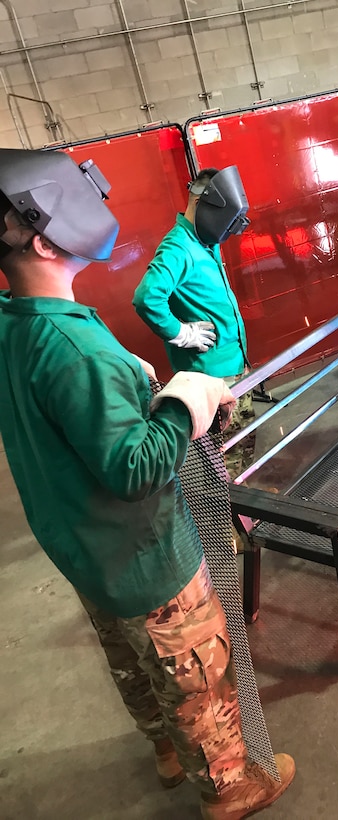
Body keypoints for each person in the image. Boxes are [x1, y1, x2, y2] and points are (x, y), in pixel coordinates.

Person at [0, 147, 295, 819]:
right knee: (196, 675)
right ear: (47, 237)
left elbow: (71, 398)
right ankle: (233, 789)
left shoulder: (18, 323)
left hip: (85, 549)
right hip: (146, 559)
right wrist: (181, 401)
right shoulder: (73, 349)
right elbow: (135, 467)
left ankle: (167, 751)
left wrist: (125, 373)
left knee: (133, 660)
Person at [133, 166, 255, 480]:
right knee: (224, 458)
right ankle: (231, 523)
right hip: (212, 379)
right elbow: (147, 297)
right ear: (201, 203)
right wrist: (180, 333)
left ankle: (243, 509)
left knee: (242, 446)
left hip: (231, 370)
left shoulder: (205, 242)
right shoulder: (178, 247)